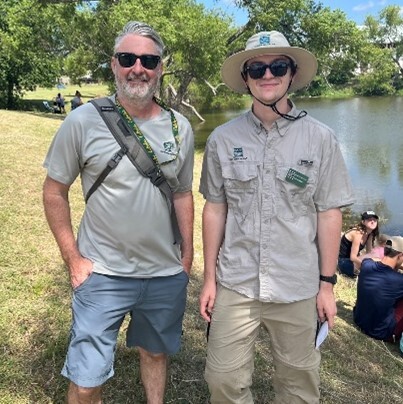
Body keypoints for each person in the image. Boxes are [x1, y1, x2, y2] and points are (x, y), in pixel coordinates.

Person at [199, 31, 355, 403]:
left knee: (299, 385)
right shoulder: (222, 139)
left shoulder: (321, 138)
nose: (267, 74)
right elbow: (215, 208)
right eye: (257, 67)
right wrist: (208, 279)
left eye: (278, 66)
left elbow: (329, 212)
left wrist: (327, 284)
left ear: (291, 73)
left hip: (298, 284)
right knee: (221, 379)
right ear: (246, 78)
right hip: (236, 280)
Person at [43, 21, 194, 404]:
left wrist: (188, 256)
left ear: (160, 67)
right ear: (114, 65)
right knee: (87, 378)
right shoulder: (82, 120)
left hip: (163, 273)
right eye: (128, 58)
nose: (137, 68)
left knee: (155, 352)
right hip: (103, 273)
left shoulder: (180, 128)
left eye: (148, 60)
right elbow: (54, 191)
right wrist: (73, 258)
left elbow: (181, 193)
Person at [353, 240, 403, 342]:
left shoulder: (366, 264)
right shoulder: (399, 280)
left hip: (359, 320)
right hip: (381, 333)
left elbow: (373, 259)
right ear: (400, 255)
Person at [338, 211, 380, 278]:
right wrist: (367, 264)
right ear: (363, 222)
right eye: (369, 219)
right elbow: (353, 257)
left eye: (374, 220)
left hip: (353, 262)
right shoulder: (358, 233)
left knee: (378, 257)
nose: (372, 221)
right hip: (343, 262)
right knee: (372, 267)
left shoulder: (369, 234)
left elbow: (369, 253)